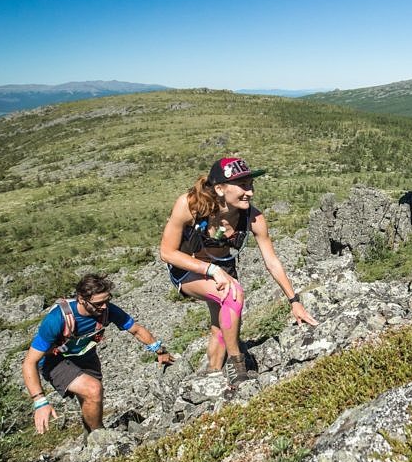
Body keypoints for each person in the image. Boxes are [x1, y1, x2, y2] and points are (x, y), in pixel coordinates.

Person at [160, 156, 318, 385]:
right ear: (220, 189)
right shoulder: (189, 206)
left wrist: (294, 301)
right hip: (187, 268)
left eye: (250, 185)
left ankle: (212, 376)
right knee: (232, 294)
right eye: (242, 185)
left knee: (222, 326)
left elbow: (272, 261)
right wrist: (211, 269)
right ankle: (237, 365)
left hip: (223, 267)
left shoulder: (253, 217)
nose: (250, 192)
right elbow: (166, 252)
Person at [22, 273, 174, 434]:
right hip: (54, 360)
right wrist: (40, 401)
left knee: (91, 399)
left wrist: (160, 350)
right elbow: (29, 362)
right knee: (93, 390)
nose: (104, 307)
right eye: (98, 303)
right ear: (81, 299)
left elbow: (136, 330)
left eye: (107, 301)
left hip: (85, 356)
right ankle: (101, 437)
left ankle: (91, 438)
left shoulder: (107, 310)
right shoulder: (56, 319)